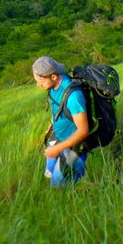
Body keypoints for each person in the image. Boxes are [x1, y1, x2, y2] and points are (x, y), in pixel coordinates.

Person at [32, 56, 90, 187]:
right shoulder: (53, 85)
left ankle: (82, 190)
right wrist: (52, 125)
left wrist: (58, 148)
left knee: (58, 185)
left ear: (53, 76)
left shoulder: (74, 97)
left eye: (41, 81)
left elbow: (83, 131)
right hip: (59, 136)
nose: (38, 85)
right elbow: (58, 107)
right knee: (49, 173)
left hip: (75, 145)